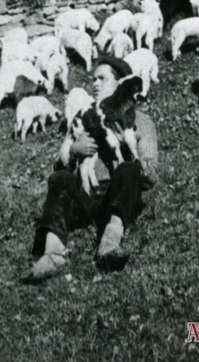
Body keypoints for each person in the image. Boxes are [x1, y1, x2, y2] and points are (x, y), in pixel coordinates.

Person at [21, 56, 159, 283]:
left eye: (102, 79)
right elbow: (57, 168)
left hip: (117, 197)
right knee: (61, 178)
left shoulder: (141, 122)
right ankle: (53, 253)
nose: (95, 84)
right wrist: (74, 150)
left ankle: (110, 242)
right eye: (93, 79)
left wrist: (127, 145)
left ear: (119, 84)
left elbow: (151, 177)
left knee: (127, 169)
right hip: (85, 196)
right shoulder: (83, 117)